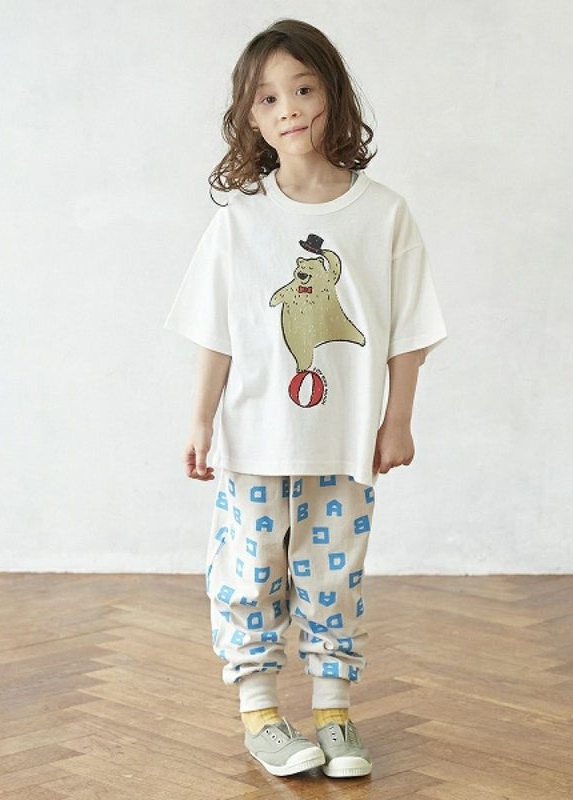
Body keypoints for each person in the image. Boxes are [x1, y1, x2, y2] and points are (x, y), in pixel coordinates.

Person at [165, 18, 446, 779]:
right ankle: (261, 713)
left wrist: (397, 421)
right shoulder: (240, 221)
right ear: (250, 118)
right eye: (267, 98)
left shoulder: (384, 214)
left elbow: (410, 331)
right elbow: (216, 332)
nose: (288, 108)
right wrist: (199, 421)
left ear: (333, 96)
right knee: (251, 568)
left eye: (303, 89)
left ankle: (333, 713)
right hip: (255, 436)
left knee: (333, 573)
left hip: (343, 440)